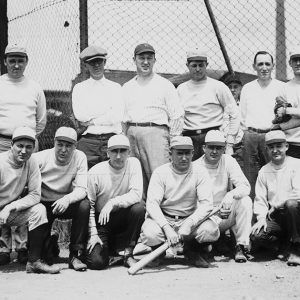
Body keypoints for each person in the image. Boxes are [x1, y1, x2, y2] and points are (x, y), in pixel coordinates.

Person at [0, 43, 47, 264]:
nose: (16, 65)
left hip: (26, 142)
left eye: (20, 60)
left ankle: (21, 246)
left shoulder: (34, 87)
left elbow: (41, 121)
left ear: (26, 62)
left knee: (22, 193)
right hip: (2, 142)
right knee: (4, 192)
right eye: (12, 60)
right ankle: (2, 247)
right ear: (5, 62)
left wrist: (26, 138)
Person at [141, 136, 220, 268]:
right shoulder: (160, 172)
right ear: (170, 154)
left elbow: (207, 204)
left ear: (193, 153)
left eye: (187, 153)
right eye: (179, 153)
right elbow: (152, 204)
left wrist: (189, 223)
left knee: (210, 230)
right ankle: (158, 252)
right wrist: (167, 228)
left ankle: (192, 251)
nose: (184, 158)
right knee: (150, 233)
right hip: (166, 218)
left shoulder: (200, 172)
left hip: (189, 218)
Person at [123, 43, 184, 195]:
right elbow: (122, 118)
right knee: (136, 181)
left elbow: (177, 115)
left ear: (154, 60)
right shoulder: (127, 87)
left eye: (149, 58)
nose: (145, 62)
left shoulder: (165, 84)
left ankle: (163, 215)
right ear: (134, 60)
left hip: (155, 133)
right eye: (141, 58)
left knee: (159, 179)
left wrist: (174, 141)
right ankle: (142, 217)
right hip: (131, 134)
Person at [0, 126, 59, 273]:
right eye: (20, 146)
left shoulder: (31, 161)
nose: (24, 151)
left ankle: (34, 262)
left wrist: (10, 207)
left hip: (9, 211)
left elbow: (34, 194)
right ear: (11, 145)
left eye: (29, 147)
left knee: (39, 210)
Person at [33, 127, 90, 271]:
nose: (64, 149)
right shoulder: (39, 158)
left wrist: (67, 199)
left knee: (84, 205)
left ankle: (75, 255)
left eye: (69, 145)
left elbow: (82, 189)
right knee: (45, 258)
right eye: (60, 144)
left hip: (66, 202)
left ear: (75, 146)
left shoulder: (80, 157)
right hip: (44, 204)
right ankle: (50, 243)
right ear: (54, 143)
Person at [86, 134, 145, 269]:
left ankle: (128, 254)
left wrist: (112, 202)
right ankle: (110, 252)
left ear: (129, 152)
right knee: (97, 263)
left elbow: (136, 194)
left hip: (121, 217)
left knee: (139, 208)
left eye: (123, 151)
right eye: (114, 151)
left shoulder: (134, 163)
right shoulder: (96, 172)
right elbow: (89, 205)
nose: (119, 156)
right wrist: (94, 234)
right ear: (107, 153)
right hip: (101, 221)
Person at [195, 130, 252, 262]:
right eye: (211, 147)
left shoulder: (228, 161)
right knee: (205, 234)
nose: (214, 151)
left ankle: (241, 245)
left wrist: (230, 195)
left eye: (219, 148)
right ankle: (205, 246)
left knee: (245, 201)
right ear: (204, 148)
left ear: (224, 148)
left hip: (224, 212)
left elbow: (245, 187)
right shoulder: (196, 166)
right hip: (204, 217)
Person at [177, 47, 240, 160]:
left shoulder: (218, 86)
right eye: (194, 65)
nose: (197, 69)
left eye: (201, 65)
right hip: (190, 138)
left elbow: (234, 113)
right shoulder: (181, 89)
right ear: (187, 65)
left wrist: (230, 142)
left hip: (213, 137)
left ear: (206, 64)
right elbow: (175, 117)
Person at [240, 51, 286, 199]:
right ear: (254, 66)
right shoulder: (247, 88)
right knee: (251, 179)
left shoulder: (281, 87)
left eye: (267, 64)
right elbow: (242, 116)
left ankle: (276, 216)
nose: (264, 67)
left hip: (272, 136)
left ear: (272, 66)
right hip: (251, 137)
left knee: (275, 178)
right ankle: (254, 217)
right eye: (260, 64)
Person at [251, 130, 300, 266]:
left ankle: (297, 247)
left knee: (291, 204)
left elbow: (298, 193)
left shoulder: (296, 164)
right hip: (277, 217)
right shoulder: (264, 171)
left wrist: (278, 204)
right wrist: (261, 219)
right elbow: (260, 199)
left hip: (295, 213)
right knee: (257, 236)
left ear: (286, 147)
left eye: (279, 146)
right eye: (271, 147)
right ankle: (283, 244)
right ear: (266, 150)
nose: (275, 150)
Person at [72, 45, 123, 169]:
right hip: (88, 141)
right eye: (92, 62)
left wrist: (92, 121)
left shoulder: (115, 87)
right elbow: (81, 115)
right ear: (85, 65)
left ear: (104, 62)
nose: (96, 66)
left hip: (111, 138)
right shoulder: (80, 88)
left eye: (99, 61)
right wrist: (106, 114)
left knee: (113, 176)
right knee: (86, 177)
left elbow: (117, 116)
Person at [273, 45, 300, 159]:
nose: (298, 63)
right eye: (295, 60)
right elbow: (280, 116)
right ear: (290, 63)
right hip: (291, 143)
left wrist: (287, 110)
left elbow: (285, 112)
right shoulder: (284, 88)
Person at [221, 74, 244, 168]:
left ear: (240, 89)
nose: (232, 90)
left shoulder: (243, 105)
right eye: (229, 87)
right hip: (223, 143)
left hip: (239, 144)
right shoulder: (222, 105)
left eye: (235, 87)